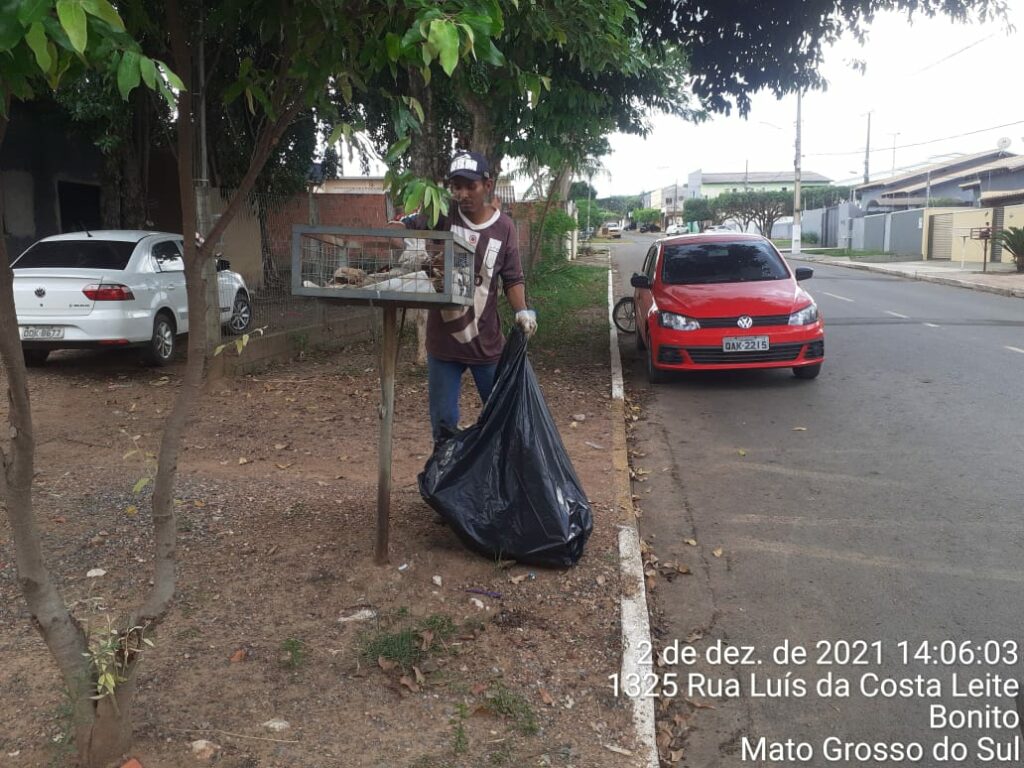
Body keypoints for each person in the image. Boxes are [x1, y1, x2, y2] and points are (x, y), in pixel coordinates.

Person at [396, 150, 536, 442]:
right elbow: (396, 227)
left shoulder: (504, 228)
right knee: (444, 422)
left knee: (501, 416)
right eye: (456, 186)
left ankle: (499, 477)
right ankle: (445, 480)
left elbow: (512, 278)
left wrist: (522, 311)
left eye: (470, 186)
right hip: (443, 345)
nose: (462, 193)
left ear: (487, 184)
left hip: (485, 344)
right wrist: (409, 244)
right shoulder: (442, 215)